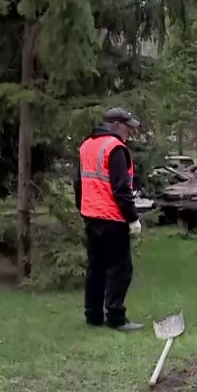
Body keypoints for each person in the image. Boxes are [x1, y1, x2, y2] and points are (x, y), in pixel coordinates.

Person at [74, 107, 144, 332]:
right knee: (120, 268)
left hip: (92, 216)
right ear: (115, 125)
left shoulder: (87, 145)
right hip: (113, 218)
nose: (129, 133)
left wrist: (82, 208)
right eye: (127, 127)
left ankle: (93, 315)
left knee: (96, 267)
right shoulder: (115, 148)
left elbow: (79, 183)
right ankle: (115, 317)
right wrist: (132, 219)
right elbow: (121, 187)